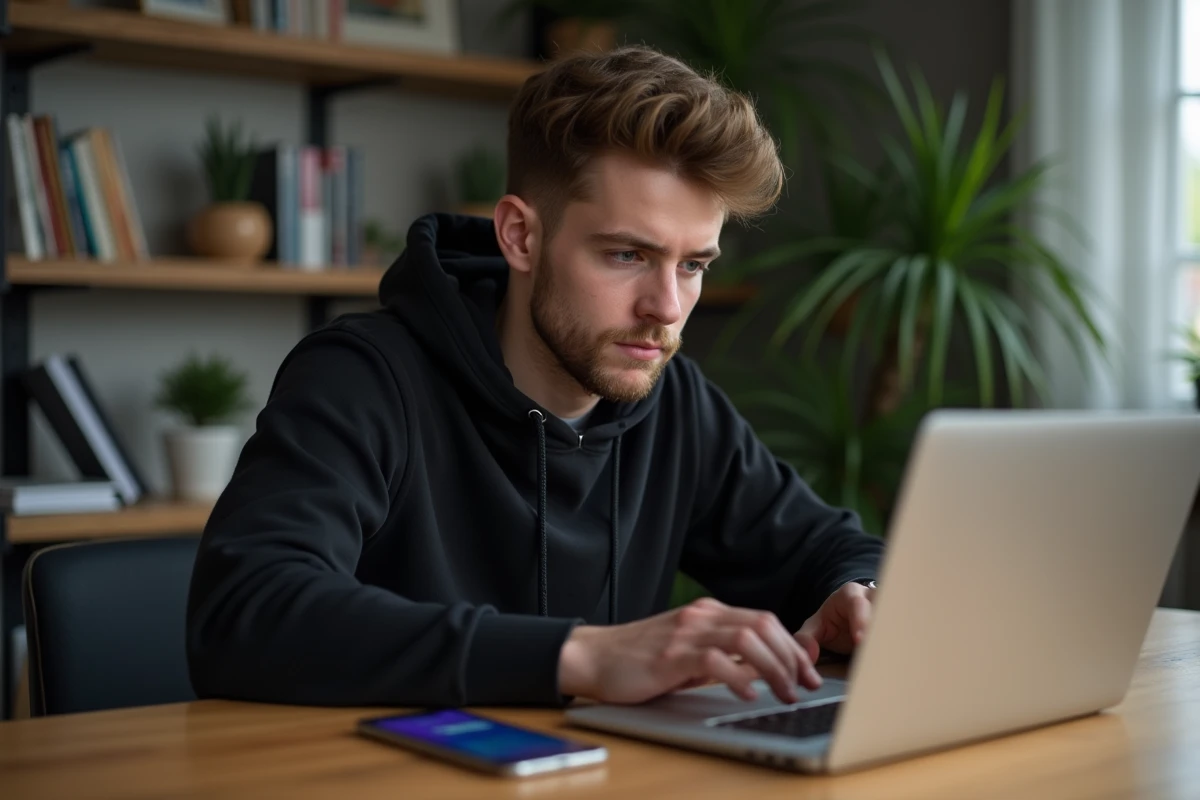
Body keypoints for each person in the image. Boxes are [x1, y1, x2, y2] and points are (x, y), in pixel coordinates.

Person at [186, 45, 885, 711]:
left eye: (694, 265)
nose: (666, 308)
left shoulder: (673, 404)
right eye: (625, 255)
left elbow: (827, 548)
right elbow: (247, 611)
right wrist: (583, 657)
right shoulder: (364, 379)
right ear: (520, 235)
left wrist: (858, 593)